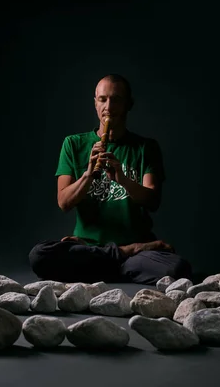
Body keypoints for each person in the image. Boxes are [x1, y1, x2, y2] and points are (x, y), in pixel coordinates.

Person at [28, 74, 192, 285]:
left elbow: (153, 201)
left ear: (128, 104)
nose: (108, 106)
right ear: (95, 103)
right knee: (39, 255)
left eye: (116, 99)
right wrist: (88, 175)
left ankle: (105, 263)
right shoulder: (73, 144)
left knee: (177, 268)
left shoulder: (146, 147)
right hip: (92, 246)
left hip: (125, 252)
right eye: (102, 99)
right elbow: (64, 202)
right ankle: (121, 257)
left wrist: (122, 179)